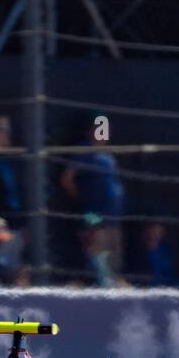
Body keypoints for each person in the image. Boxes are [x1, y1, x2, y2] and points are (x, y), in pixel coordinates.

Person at [59, 117, 125, 277]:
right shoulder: (85, 150)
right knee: (96, 246)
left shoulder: (107, 154)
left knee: (113, 255)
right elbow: (66, 179)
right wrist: (82, 198)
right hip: (92, 212)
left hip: (112, 216)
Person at [126, 219, 179, 287]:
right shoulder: (136, 254)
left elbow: (173, 277)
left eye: (157, 231)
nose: (153, 235)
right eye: (151, 231)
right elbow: (133, 278)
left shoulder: (166, 252)